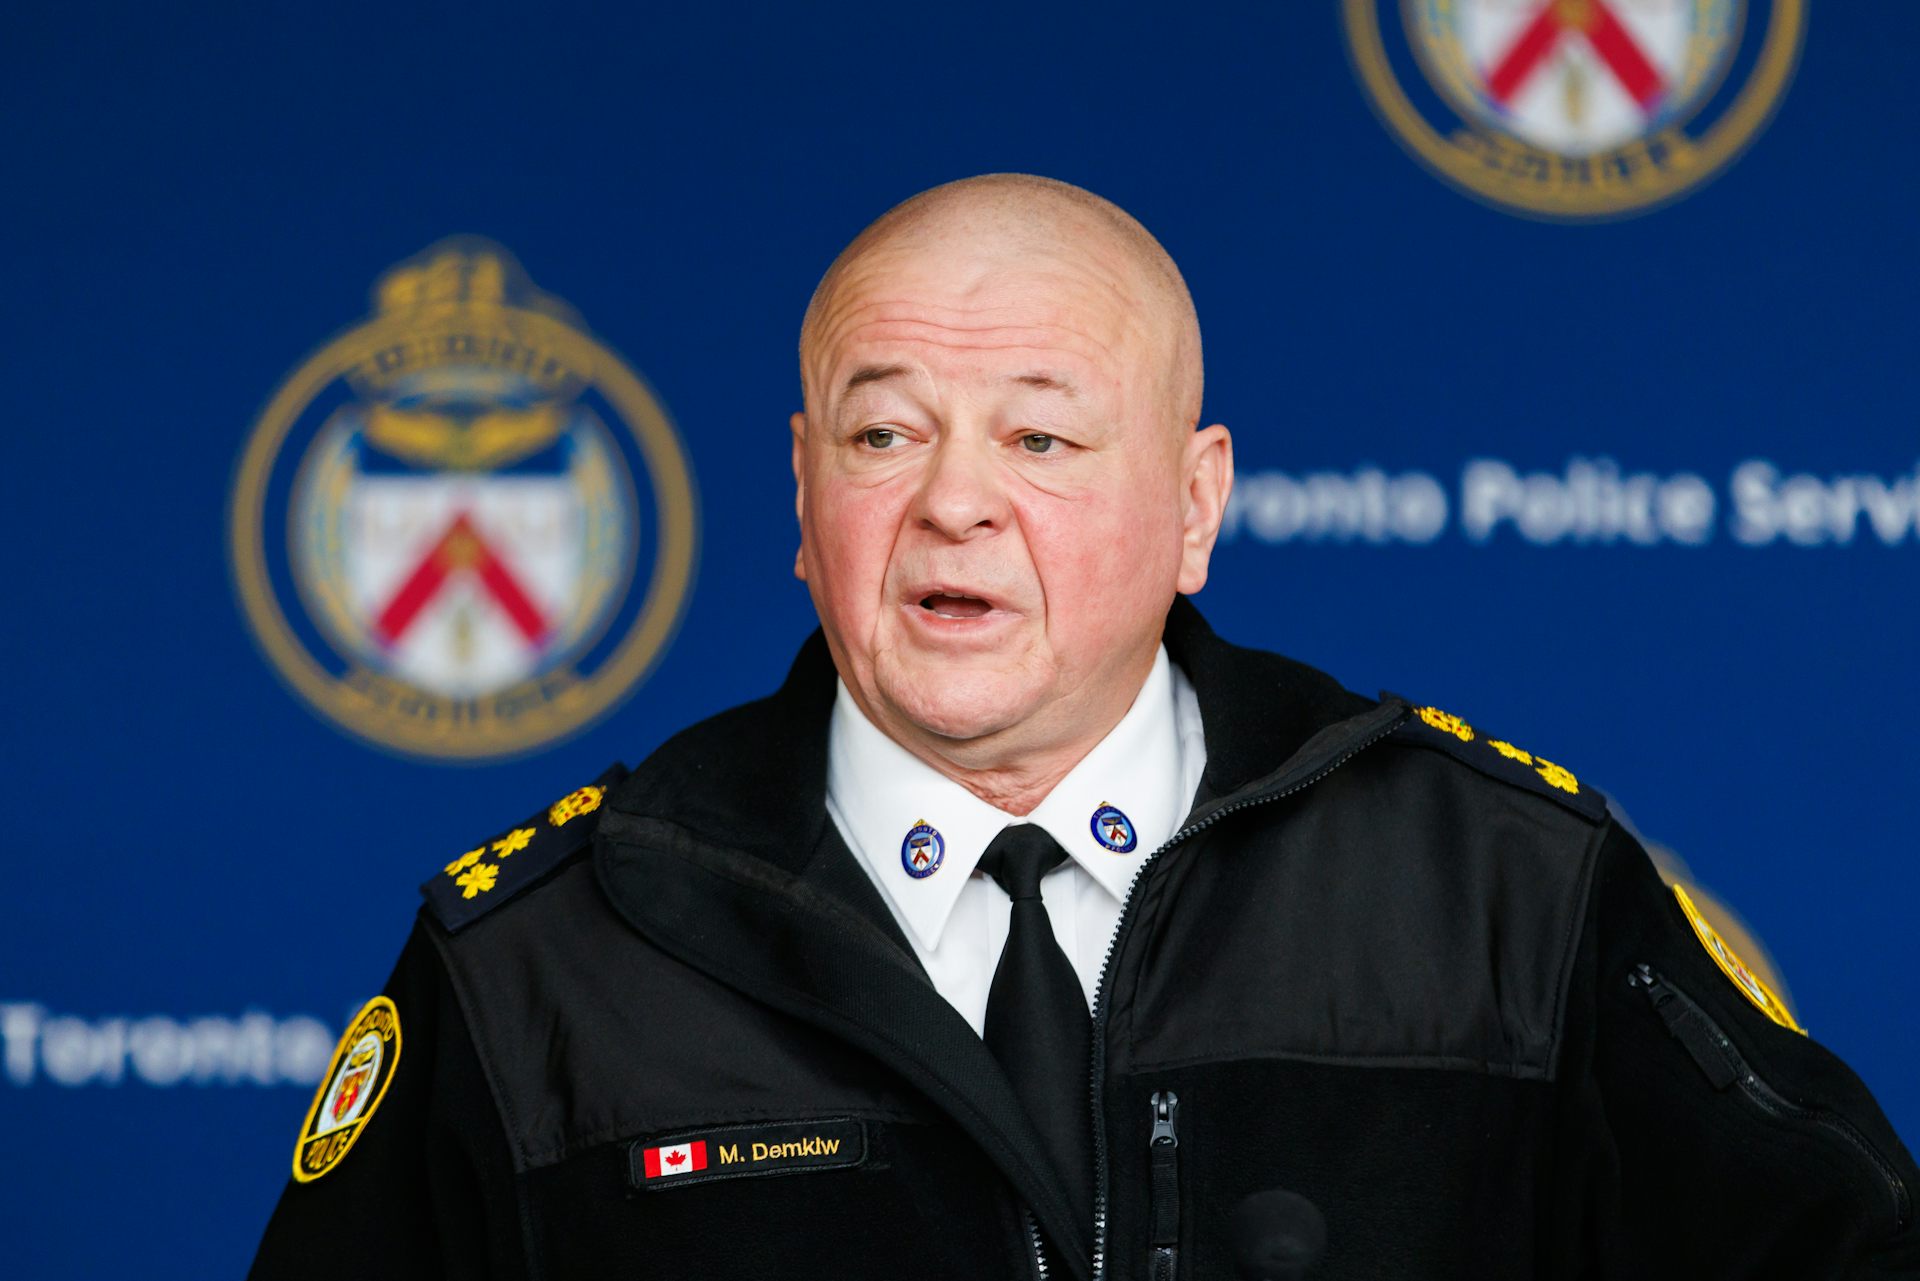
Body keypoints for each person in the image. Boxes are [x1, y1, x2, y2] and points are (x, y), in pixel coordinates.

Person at [249, 175, 1919, 1280]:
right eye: (885, 431)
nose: (955, 502)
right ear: (804, 492)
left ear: (1197, 507)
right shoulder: (544, 958)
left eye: (1043, 440)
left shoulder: (1504, 893)